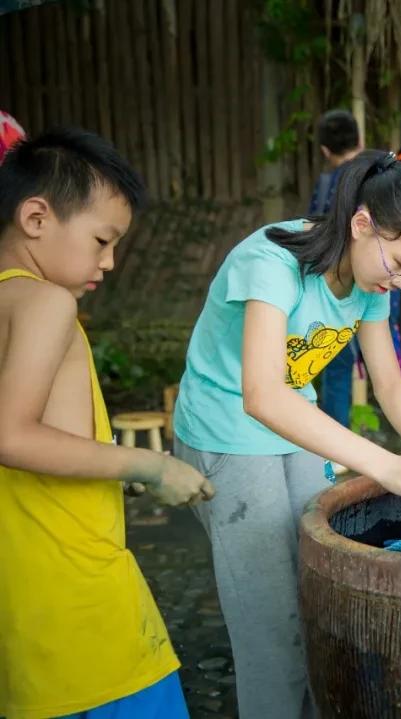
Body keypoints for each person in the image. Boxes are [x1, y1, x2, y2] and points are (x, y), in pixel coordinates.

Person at [172, 150, 401, 717]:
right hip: (226, 431)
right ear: (362, 224)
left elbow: (389, 381)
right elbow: (261, 394)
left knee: (320, 594)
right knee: (270, 625)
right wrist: (388, 465)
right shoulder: (271, 261)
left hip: (296, 425)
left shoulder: (369, 282)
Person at [0, 128, 213, 719]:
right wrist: (150, 465)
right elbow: (9, 435)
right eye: (101, 239)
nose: (109, 261)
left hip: (23, 604)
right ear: (36, 217)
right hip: (80, 595)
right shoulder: (47, 303)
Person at [309, 110, 364, 430]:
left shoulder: (330, 182)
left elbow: (316, 231)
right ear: (360, 140)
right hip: (383, 287)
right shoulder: (380, 174)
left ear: (325, 151)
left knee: (336, 362)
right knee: (392, 365)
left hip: (337, 287)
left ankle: (335, 441)